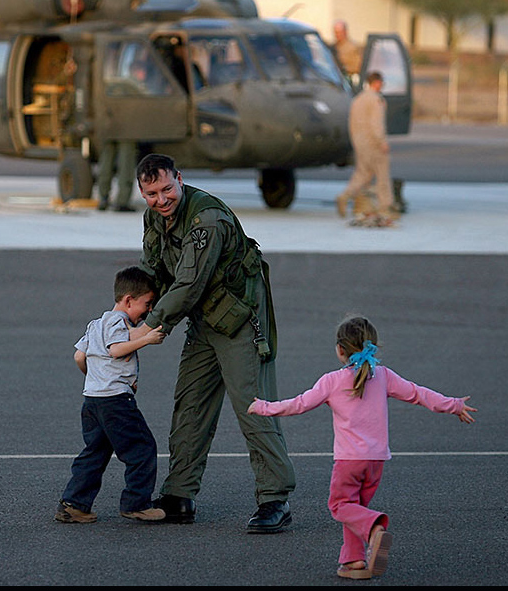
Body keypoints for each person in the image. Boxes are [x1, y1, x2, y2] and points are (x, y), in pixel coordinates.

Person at [131, 153, 296, 532]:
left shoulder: (207, 219)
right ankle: (179, 496)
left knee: (254, 407)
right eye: (151, 193)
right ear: (142, 192)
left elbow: (188, 285)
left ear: (180, 179)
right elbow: (152, 270)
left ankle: (275, 498)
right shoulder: (154, 217)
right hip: (205, 320)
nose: (161, 199)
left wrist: (150, 328)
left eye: (167, 189)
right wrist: (127, 313)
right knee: (190, 405)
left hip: (240, 320)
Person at [248, 315, 477, 579]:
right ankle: (354, 561)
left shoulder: (332, 381)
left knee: (340, 506)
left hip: (349, 462)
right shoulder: (383, 376)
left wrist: (263, 407)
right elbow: (418, 393)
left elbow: (299, 404)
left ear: (340, 350)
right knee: (353, 509)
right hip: (376, 461)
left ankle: (375, 527)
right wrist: (454, 405)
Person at [56, 266, 168, 524]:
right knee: (142, 448)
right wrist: (147, 339)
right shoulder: (119, 322)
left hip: (92, 399)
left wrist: (95, 377)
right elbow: (117, 350)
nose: (149, 311)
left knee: (95, 451)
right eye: (147, 304)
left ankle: (74, 503)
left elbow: (79, 356)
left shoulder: (96, 324)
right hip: (115, 400)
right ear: (128, 300)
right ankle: (137, 503)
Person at [336, 72, 398, 227]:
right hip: (373, 143)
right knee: (382, 174)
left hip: (360, 143)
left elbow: (351, 124)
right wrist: (382, 141)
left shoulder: (357, 100)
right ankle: (386, 207)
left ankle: (345, 195)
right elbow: (377, 124)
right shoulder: (376, 100)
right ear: (376, 83)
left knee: (363, 173)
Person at [96, 140, 138, 212]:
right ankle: (122, 201)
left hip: (108, 130)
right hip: (126, 133)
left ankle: (103, 198)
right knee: (126, 162)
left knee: (106, 160)